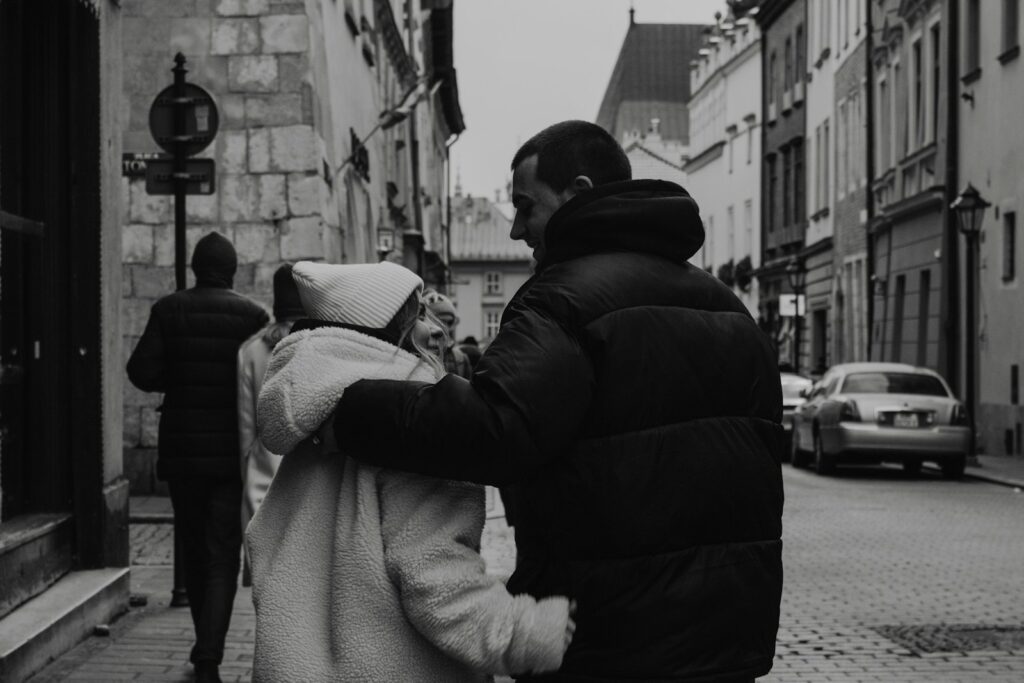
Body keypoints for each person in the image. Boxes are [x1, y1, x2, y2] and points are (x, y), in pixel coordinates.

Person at [323, 121, 785, 681]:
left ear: (578, 192)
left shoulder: (564, 299)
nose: (517, 229)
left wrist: (348, 407)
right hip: (728, 634)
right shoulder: (730, 308)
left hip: (612, 637)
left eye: (526, 206)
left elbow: (494, 429)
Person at [247, 261, 574, 682]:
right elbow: (438, 582)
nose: (436, 329)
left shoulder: (320, 416)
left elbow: (266, 540)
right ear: (389, 330)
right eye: (418, 315)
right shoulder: (410, 428)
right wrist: (527, 632)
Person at [126, 232, 269, 683]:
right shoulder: (253, 316)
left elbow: (140, 371)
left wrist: (176, 378)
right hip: (230, 455)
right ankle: (209, 656)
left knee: (192, 549)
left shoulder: (169, 310)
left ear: (194, 268)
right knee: (222, 555)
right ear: (232, 271)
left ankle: (203, 646)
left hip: (184, 453)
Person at [236, 263, 304, 586]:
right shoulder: (317, 346)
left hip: (263, 476)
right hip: (308, 478)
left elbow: (245, 426)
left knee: (267, 581)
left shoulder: (252, 352)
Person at [422, 288, 473, 378]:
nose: (444, 327)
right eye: (440, 321)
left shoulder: (460, 358)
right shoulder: (417, 353)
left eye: (449, 322)